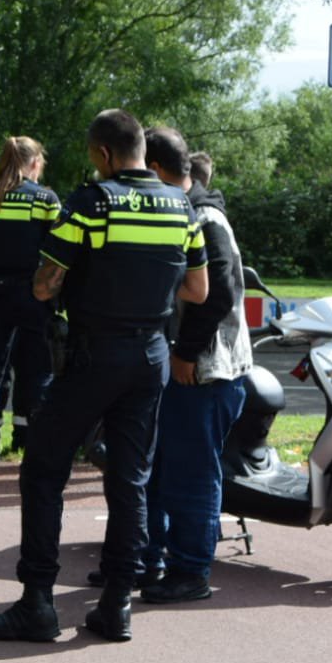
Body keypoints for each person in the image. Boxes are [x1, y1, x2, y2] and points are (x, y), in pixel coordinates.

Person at [0, 109, 207, 644]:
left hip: (94, 354)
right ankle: (116, 604)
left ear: (103, 154)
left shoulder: (92, 202)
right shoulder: (181, 207)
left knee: (43, 471)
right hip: (151, 358)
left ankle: (37, 603)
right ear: (142, 149)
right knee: (130, 481)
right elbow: (198, 291)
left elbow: (44, 286)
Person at [130, 139, 252, 604]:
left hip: (207, 369)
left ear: (158, 168)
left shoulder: (203, 217)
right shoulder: (190, 209)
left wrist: (184, 352)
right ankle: (152, 560)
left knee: (194, 474)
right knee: (164, 468)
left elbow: (215, 294)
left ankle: (192, 571)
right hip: (195, 366)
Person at [0, 136, 61, 478]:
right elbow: (58, 249)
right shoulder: (45, 200)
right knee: (38, 373)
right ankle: (35, 446)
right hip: (33, 296)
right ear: (34, 163)